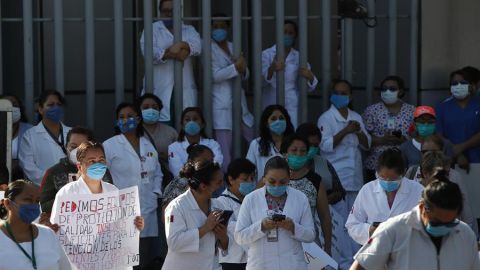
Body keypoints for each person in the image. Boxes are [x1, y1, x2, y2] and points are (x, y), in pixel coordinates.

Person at [48, 141, 145, 269]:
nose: (98, 164)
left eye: (101, 160)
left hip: (111, 263)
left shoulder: (113, 191)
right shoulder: (67, 193)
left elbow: (122, 231)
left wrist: (135, 226)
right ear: (80, 166)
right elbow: (56, 233)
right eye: (92, 161)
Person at [350, 179, 480, 270]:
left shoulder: (465, 234)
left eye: (449, 223)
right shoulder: (392, 231)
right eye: (437, 222)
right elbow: (360, 266)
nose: (443, 228)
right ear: (422, 207)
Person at [103, 102, 163, 269]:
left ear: (138, 119)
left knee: (143, 258)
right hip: (121, 208)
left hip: (147, 207)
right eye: (121, 117)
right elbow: (100, 174)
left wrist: (156, 192)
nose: (125, 120)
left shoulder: (147, 144)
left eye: (129, 116)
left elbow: (157, 172)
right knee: (124, 259)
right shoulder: (109, 145)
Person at [234, 156, 316, 270]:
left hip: (292, 264)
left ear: (289, 179)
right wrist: (261, 226)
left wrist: (293, 227)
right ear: (263, 179)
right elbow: (239, 237)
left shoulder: (300, 198)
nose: (277, 186)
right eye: (272, 181)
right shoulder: (250, 199)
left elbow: (311, 235)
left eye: (282, 182)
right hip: (261, 265)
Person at [139, 0, 201, 124]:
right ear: (160, 12)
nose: (169, 14)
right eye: (165, 11)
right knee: (160, 127)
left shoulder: (189, 29)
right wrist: (177, 51)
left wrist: (180, 45)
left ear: (179, 11)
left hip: (184, 88)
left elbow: (198, 48)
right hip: (159, 88)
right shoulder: (151, 30)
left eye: (172, 11)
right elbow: (150, 54)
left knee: (184, 127)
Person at [345, 148, 424, 245]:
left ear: (403, 173)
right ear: (377, 172)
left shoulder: (418, 190)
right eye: (383, 177)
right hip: (375, 249)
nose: (387, 182)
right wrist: (370, 230)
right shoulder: (367, 190)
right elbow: (352, 224)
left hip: (408, 250)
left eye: (393, 179)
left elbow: (427, 222)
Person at [317, 80, 371, 222]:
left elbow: (367, 145)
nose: (340, 96)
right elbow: (325, 145)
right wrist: (346, 131)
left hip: (355, 177)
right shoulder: (326, 118)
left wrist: (358, 131)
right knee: (338, 221)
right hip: (336, 178)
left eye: (343, 93)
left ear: (350, 96)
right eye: (336, 93)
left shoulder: (356, 117)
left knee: (356, 220)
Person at [162, 160, 228, 270]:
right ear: (203, 186)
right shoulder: (177, 206)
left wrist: (223, 237)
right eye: (218, 182)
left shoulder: (218, 205)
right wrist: (205, 228)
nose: (222, 185)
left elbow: (224, 246)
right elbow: (174, 243)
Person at [210, 14, 255, 171]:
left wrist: (241, 69)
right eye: (215, 27)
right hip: (220, 103)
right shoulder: (208, 48)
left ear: (228, 28)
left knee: (253, 139)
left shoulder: (233, 45)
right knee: (225, 150)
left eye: (222, 26)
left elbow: (246, 73)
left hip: (239, 101)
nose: (219, 30)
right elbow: (214, 76)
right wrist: (236, 68)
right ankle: (227, 187)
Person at [0, 179, 73, 269]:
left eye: (37, 201)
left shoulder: (49, 235)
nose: (34, 205)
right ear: (7, 203)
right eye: (28, 199)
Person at [279, 135, 332, 254]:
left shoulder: (315, 180)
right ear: (285, 153)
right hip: (279, 245)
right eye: (294, 150)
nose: (298, 154)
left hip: (309, 246)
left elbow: (325, 217)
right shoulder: (274, 179)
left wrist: (328, 248)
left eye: (303, 151)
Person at [39, 127, 112, 214]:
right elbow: (42, 208)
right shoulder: (54, 172)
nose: (77, 151)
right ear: (66, 147)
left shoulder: (100, 170)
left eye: (82, 147)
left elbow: (112, 201)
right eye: (73, 147)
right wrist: (68, 194)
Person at [261, 20, 318, 128]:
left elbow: (309, 86)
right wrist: (272, 68)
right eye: (284, 32)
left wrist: (310, 76)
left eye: (290, 33)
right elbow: (261, 82)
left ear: (295, 36)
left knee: (291, 135)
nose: (286, 35)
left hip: (292, 105)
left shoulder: (299, 56)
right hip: (271, 101)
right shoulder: (266, 54)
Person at [407, 150, 478, 235]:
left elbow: (467, 216)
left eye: (447, 174)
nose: (445, 177)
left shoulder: (451, 191)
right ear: (426, 173)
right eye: (441, 174)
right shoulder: (412, 192)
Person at [362, 76, 415, 181]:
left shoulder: (411, 111)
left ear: (401, 91)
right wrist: (382, 140)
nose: (387, 91)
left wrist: (403, 140)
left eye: (392, 89)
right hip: (376, 165)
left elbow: (416, 139)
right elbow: (362, 139)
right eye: (384, 89)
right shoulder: (371, 111)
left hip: (403, 164)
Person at [18, 90, 71, 185]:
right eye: (50, 105)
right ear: (40, 109)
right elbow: (28, 167)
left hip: (71, 188)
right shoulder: (29, 136)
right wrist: (55, 181)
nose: (56, 108)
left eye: (58, 104)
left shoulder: (72, 133)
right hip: (42, 191)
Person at [215, 158, 256, 270]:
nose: (250, 182)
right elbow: (235, 228)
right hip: (232, 261)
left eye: (252, 178)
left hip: (253, 259)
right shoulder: (220, 202)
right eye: (245, 179)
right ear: (231, 179)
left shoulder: (255, 200)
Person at [436, 69, 480, 172]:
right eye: (454, 83)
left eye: (463, 82)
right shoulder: (442, 108)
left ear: (471, 85)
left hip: (477, 158)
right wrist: (458, 154)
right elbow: (438, 135)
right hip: (450, 161)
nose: (458, 86)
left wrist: (461, 147)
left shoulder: (478, 104)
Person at [296, 123, 346, 205]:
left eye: (315, 145)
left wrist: (332, 197)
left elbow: (340, 191)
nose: (312, 148)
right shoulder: (288, 164)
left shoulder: (324, 163)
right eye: (309, 144)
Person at [168, 107, 223, 177]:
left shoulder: (213, 144)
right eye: (187, 120)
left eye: (195, 119)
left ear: (203, 124)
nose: (191, 122)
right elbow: (178, 172)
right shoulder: (173, 147)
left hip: (210, 184)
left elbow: (217, 164)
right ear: (182, 125)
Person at [246, 105, 294, 182]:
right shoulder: (256, 144)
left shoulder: (294, 143)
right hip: (263, 189)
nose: (278, 121)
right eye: (273, 119)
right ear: (266, 123)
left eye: (281, 118)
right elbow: (248, 171)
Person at [162, 144, 214, 211]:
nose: (209, 166)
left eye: (211, 161)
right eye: (205, 162)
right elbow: (166, 215)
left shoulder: (211, 182)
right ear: (191, 161)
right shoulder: (178, 184)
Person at [137, 93, 178, 164]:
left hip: (166, 173)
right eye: (146, 107)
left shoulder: (171, 132)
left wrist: (168, 157)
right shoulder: (133, 132)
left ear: (159, 110)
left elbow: (179, 155)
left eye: (154, 107)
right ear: (139, 111)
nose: (151, 110)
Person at [0, 94, 33, 180]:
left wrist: (19, 164)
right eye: (7, 105)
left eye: (14, 105)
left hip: (23, 181)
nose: (11, 108)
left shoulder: (30, 131)